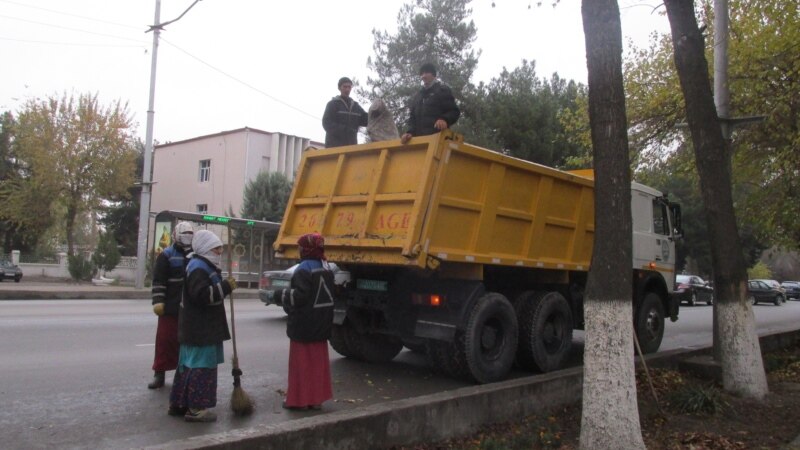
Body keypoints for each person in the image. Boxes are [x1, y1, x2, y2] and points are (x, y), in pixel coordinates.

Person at [168, 229, 237, 422]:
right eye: (216, 250)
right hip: (201, 330)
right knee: (201, 367)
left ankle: (180, 403)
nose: (219, 254)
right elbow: (202, 296)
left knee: (187, 366)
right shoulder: (199, 268)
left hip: (196, 329)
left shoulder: (200, 265)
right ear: (206, 249)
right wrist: (225, 287)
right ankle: (196, 408)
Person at [273, 233, 335, 411]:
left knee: (301, 365)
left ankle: (299, 400)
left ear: (307, 249)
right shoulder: (326, 267)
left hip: (304, 325)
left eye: (301, 247)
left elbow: (299, 297)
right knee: (317, 365)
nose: (299, 251)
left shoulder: (303, 269)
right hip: (321, 324)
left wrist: (279, 295)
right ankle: (316, 400)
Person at [148, 221, 194, 389]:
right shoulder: (166, 255)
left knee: (185, 345)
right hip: (170, 308)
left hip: (188, 309)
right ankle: (159, 374)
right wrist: (158, 301)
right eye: (185, 234)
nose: (187, 238)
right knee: (164, 342)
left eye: (190, 234)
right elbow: (159, 281)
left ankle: (181, 376)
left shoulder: (195, 256)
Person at [400, 62, 461, 144]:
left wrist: (444, 119)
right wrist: (409, 132)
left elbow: (454, 111)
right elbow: (412, 119)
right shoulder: (417, 96)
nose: (423, 76)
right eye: (422, 74)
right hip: (419, 143)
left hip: (438, 142)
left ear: (433, 75)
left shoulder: (442, 91)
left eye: (426, 73)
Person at [322, 76, 368, 148]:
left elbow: (366, 120)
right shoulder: (332, 104)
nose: (347, 89)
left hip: (351, 148)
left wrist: (377, 114)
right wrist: (345, 130)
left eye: (349, 87)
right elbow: (326, 123)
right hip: (334, 148)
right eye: (345, 87)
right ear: (339, 88)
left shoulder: (356, 107)